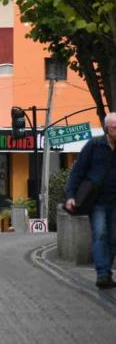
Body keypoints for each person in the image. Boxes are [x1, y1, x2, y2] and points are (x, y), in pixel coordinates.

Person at [66, 112, 116, 289]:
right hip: (98, 201)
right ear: (108, 129)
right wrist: (71, 195)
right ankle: (102, 273)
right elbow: (78, 171)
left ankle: (106, 272)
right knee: (100, 234)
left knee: (113, 239)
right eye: (115, 128)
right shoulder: (94, 145)